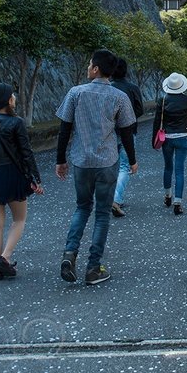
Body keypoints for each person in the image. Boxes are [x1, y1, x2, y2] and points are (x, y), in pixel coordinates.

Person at [55, 48, 138, 286]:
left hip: (81, 161)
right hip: (107, 161)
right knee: (102, 213)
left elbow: (64, 130)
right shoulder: (119, 96)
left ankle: (69, 255)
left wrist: (60, 160)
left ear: (95, 69)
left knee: (82, 207)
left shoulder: (75, 93)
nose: (88, 67)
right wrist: (132, 160)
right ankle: (93, 268)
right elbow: (126, 133)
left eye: (90, 64)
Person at [0, 83, 44, 280]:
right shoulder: (16, 122)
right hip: (12, 175)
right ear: (8, 100)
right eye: (12, 96)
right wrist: (35, 178)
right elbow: (25, 152)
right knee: (19, 219)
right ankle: (5, 257)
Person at [154, 72, 187, 216]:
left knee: (168, 167)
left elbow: (157, 122)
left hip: (167, 138)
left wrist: (154, 140)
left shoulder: (163, 100)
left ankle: (167, 196)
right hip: (183, 137)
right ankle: (178, 202)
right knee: (180, 170)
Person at [110, 58, 144, 218]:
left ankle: (111, 197)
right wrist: (128, 118)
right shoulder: (132, 88)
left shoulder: (108, 88)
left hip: (108, 133)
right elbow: (140, 110)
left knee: (109, 166)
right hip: (129, 131)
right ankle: (116, 199)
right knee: (124, 166)